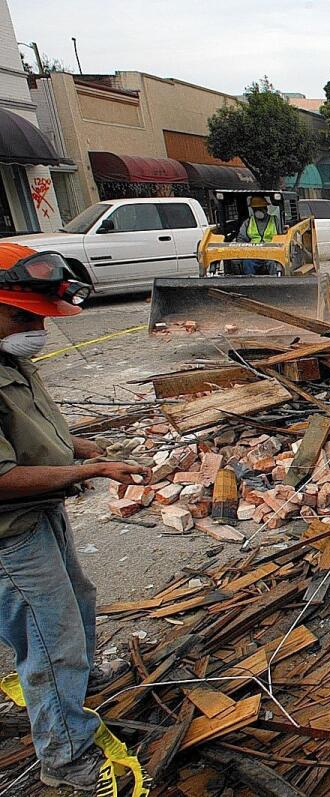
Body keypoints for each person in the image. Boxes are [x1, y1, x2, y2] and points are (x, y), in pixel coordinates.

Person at [0, 244, 147, 790]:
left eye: (38, 316)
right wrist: (90, 473)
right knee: (49, 638)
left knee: (76, 604)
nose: (34, 327)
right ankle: (66, 760)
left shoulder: (10, 359)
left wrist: (83, 450)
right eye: (21, 315)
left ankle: (77, 690)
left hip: (39, 512)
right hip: (9, 532)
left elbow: (35, 436)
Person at [236, 196, 280, 275]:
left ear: (266, 208)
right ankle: (250, 283)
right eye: (255, 209)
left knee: (273, 263)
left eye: (260, 208)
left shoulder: (274, 220)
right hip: (254, 253)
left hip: (272, 252)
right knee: (247, 262)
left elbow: (282, 236)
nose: (258, 211)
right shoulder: (248, 222)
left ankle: (275, 281)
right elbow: (241, 238)